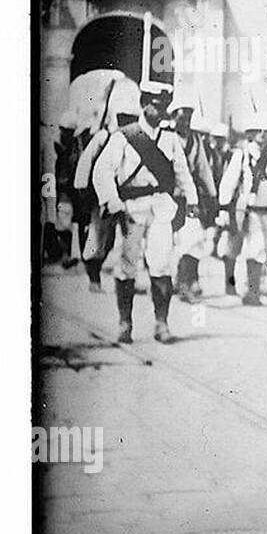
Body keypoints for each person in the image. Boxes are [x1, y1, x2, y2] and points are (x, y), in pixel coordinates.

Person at [90, 81, 197, 344]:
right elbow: (102, 172)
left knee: (161, 264)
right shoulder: (124, 136)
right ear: (144, 105)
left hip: (161, 207)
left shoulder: (170, 138)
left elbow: (182, 172)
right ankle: (125, 323)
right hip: (132, 210)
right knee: (127, 267)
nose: (161, 112)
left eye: (164, 107)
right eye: (157, 106)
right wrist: (113, 202)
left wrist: (192, 200)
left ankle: (161, 323)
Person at [73, 79, 141, 292]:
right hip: (99, 197)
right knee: (98, 238)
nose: (127, 121)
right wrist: (84, 192)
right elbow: (86, 164)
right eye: (124, 118)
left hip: (124, 198)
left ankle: (126, 277)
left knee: (116, 240)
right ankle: (93, 276)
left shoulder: (136, 140)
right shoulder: (104, 136)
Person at [217, 104, 267, 307]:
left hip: (266, 210)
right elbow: (228, 183)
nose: (264, 136)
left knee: (259, 249)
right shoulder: (242, 154)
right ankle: (238, 286)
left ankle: (252, 290)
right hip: (243, 210)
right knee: (238, 246)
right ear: (252, 132)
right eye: (260, 132)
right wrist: (223, 208)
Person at [168, 93, 218, 303]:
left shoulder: (196, 139)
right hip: (168, 195)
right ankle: (174, 280)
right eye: (182, 116)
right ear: (173, 117)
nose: (185, 121)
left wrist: (212, 195)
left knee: (193, 237)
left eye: (189, 117)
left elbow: (203, 168)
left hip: (189, 197)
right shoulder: (165, 137)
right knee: (169, 242)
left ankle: (188, 281)